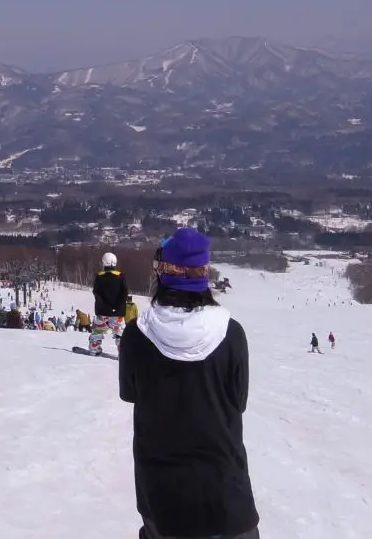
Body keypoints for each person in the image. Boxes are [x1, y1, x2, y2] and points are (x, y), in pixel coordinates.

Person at [119, 226, 260, 539]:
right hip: (227, 497)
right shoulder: (230, 333)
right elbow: (238, 402)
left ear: (163, 273)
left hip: (162, 500)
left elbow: (130, 394)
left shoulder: (137, 335)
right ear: (204, 275)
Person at [89, 251, 128, 356]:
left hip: (102, 311)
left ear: (104, 262)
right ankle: (123, 353)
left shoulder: (99, 276)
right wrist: (118, 306)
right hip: (117, 312)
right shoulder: (121, 276)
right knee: (119, 333)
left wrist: (101, 303)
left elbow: (96, 292)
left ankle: (94, 348)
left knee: (98, 331)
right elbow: (124, 293)